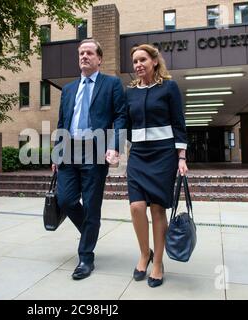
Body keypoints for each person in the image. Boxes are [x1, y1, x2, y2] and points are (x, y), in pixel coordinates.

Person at [52, 39, 126, 280]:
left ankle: (86, 257)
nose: (84, 56)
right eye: (81, 53)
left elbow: (120, 117)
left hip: (96, 150)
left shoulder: (112, 84)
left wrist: (115, 147)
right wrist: (56, 152)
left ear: (99, 58)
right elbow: (62, 122)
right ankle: (90, 228)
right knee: (65, 200)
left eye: (89, 53)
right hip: (70, 150)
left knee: (92, 204)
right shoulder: (69, 89)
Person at [125, 44, 187, 288]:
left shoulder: (169, 87)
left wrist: (181, 156)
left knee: (157, 210)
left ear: (154, 61)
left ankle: (158, 263)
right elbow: (126, 123)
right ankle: (144, 253)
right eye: (134, 62)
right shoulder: (129, 92)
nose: (138, 65)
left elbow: (179, 121)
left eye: (142, 60)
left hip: (163, 155)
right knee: (136, 207)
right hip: (139, 155)